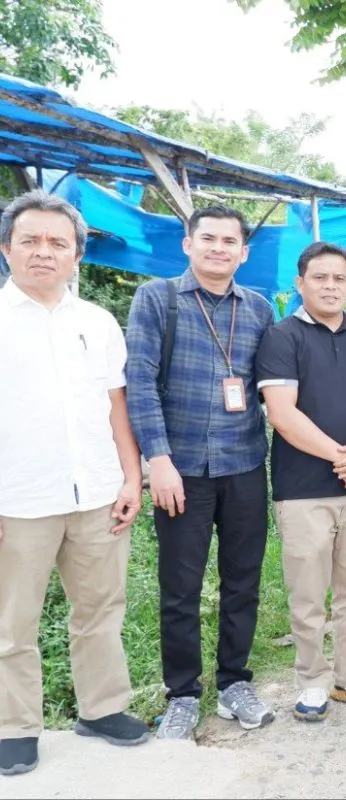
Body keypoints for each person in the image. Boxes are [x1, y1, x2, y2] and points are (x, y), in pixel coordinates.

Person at [0, 191, 148, 776]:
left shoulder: (98, 322)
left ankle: (103, 709)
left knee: (101, 609)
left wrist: (131, 478)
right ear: (7, 248)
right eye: (30, 240)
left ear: (76, 256)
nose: (44, 252)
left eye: (57, 243)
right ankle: (14, 727)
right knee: (11, 622)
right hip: (17, 499)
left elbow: (116, 407)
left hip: (97, 493)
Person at [125, 205, 277, 740]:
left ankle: (235, 682)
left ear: (244, 252)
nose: (218, 248)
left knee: (243, 581)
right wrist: (158, 460)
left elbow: (273, 387)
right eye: (208, 238)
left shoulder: (259, 308)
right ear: (188, 244)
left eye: (229, 241)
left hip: (244, 463)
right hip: (181, 469)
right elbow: (139, 381)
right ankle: (183, 695)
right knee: (180, 587)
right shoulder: (157, 299)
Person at [255, 242, 346, 722]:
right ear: (301, 283)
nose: (330, 287)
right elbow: (282, 414)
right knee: (308, 593)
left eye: (339, 279)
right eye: (320, 278)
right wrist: (343, 457)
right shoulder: (282, 337)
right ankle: (312, 681)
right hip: (303, 490)